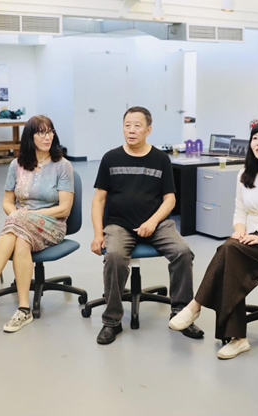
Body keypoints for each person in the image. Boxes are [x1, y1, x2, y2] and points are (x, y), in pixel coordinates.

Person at [168, 121, 258, 359]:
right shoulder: (244, 175)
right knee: (232, 255)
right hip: (249, 242)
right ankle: (237, 339)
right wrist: (240, 230)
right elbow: (239, 213)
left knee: (229, 250)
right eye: (255, 138)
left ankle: (196, 306)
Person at [91, 106, 204, 345]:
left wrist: (152, 222)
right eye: (127, 125)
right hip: (119, 224)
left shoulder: (160, 159)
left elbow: (170, 199)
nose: (131, 130)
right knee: (114, 256)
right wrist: (97, 234)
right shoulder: (111, 158)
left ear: (148, 130)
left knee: (183, 252)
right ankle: (111, 321)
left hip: (157, 224)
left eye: (137, 126)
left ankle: (181, 314)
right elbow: (99, 199)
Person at [0, 115, 75, 333]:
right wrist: (20, 216)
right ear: (30, 137)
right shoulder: (17, 165)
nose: (47, 137)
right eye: (41, 132)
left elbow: (64, 208)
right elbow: (7, 202)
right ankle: (24, 309)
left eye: (50, 131)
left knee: (16, 220)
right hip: (21, 225)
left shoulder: (63, 166)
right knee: (21, 241)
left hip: (53, 224)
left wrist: (28, 215)